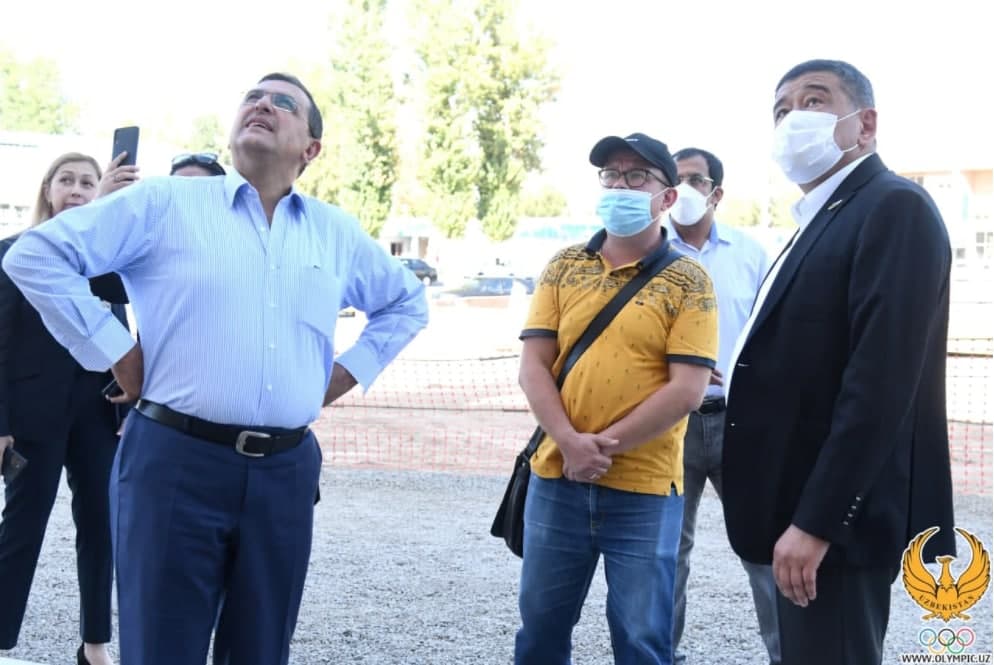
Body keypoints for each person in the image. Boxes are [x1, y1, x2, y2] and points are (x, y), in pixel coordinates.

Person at [2, 73, 429, 665]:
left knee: (260, 650)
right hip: (174, 461)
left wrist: (342, 375)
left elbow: (407, 303)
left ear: (311, 149)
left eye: (283, 102)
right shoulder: (165, 203)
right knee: (163, 650)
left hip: (285, 471)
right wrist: (115, 350)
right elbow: (36, 254)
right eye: (253, 97)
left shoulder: (335, 233)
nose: (262, 104)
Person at [722, 59, 955, 665]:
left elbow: (879, 384)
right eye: (780, 111)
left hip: (834, 529)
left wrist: (819, 522)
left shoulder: (892, 207)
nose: (792, 119)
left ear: (865, 124)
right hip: (793, 509)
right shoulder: (821, 219)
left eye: (813, 101)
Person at [515, 132, 718, 665]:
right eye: (611, 175)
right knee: (540, 629)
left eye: (637, 176)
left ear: (667, 197)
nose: (620, 186)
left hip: (645, 488)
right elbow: (533, 367)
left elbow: (687, 389)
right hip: (557, 478)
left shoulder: (690, 281)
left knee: (642, 640)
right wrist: (568, 443)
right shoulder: (564, 266)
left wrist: (598, 449)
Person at [0, 151, 134, 665]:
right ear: (48, 189)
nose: (77, 190)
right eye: (67, 181)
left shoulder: (106, 262)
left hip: (98, 412)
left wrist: (130, 392)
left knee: (101, 524)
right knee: (22, 528)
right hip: (32, 417)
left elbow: (122, 323)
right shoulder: (16, 252)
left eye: (87, 183)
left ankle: (95, 644)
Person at [665, 147, 780, 665]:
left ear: (717, 193)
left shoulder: (751, 255)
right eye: (677, 179)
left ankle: (788, 653)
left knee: (763, 548)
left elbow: (773, 334)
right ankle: (659, 654)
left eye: (697, 180)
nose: (686, 189)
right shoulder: (648, 254)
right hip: (669, 423)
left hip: (741, 421)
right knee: (667, 553)